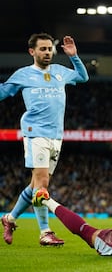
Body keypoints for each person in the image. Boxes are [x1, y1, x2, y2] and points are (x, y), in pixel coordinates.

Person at [0, 33, 89, 246]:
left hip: (56, 135)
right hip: (35, 133)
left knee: (34, 187)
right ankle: (45, 232)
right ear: (32, 51)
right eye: (43, 49)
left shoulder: (60, 72)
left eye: (49, 49)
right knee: (42, 184)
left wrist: (74, 56)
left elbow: (83, 77)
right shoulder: (23, 75)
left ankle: (9, 218)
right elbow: (3, 92)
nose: (47, 52)